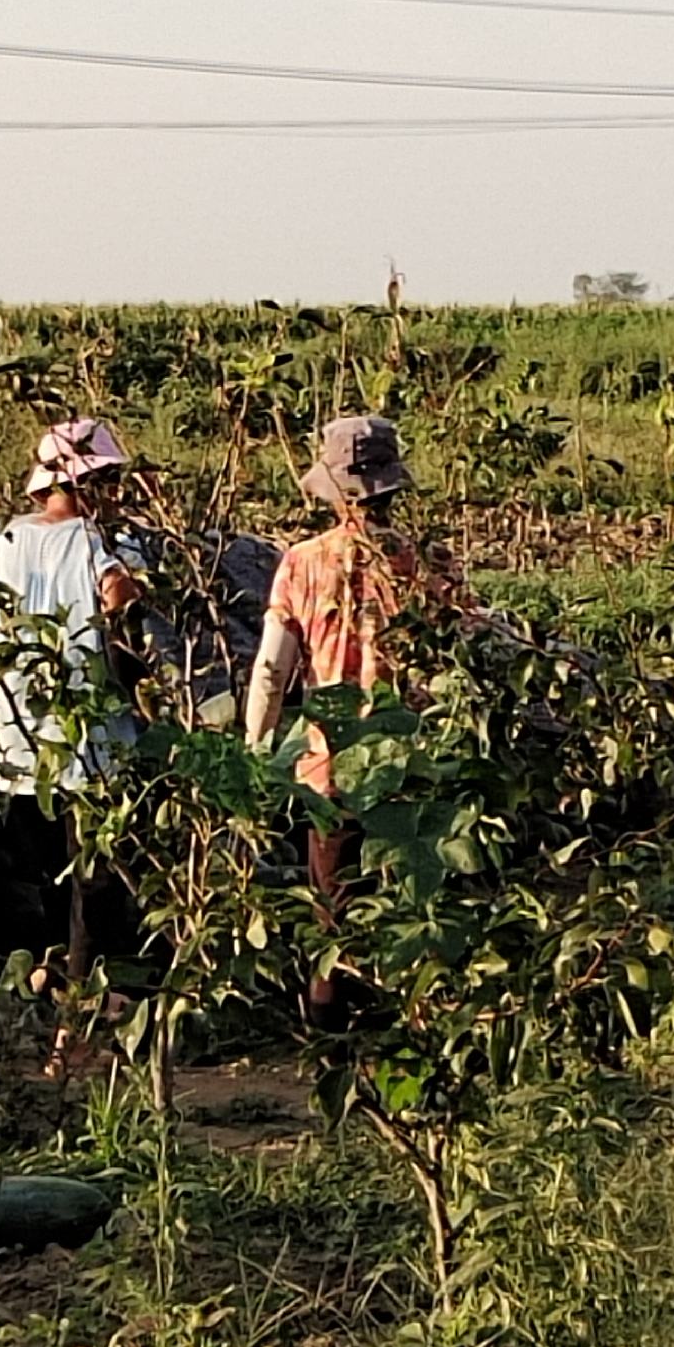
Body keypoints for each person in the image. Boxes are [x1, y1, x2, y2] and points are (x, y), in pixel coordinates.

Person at [244, 417, 471, 998]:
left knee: (335, 919)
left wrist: (256, 747)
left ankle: (333, 1043)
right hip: (413, 763)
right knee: (410, 911)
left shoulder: (302, 563)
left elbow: (273, 669)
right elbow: (465, 661)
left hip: (332, 766)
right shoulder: (431, 563)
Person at [0, 417, 144, 1000]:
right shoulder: (97, 542)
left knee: (44, 870)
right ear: (90, 486)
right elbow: (117, 596)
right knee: (91, 873)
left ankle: (49, 979)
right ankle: (85, 988)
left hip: (17, 730)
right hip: (89, 732)